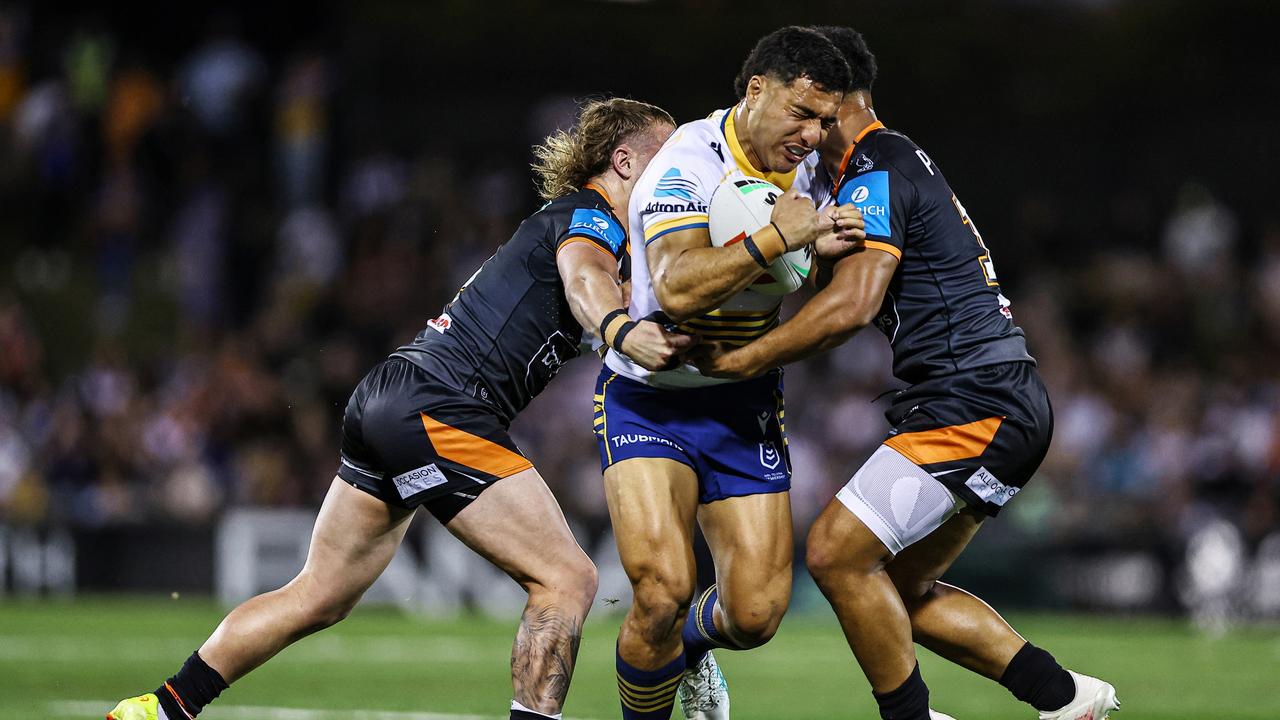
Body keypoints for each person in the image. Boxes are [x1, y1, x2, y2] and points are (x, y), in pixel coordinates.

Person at [107, 97, 693, 720]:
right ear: (623, 161)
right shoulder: (592, 217)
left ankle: (159, 708)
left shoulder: (604, 241)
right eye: (669, 158)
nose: (681, 175)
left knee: (319, 595)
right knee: (567, 580)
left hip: (394, 394)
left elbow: (644, 297)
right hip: (443, 406)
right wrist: (617, 327)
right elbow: (584, 278)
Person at [693, 26, 1121, 720]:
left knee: (834, 553)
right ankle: (1066, 697)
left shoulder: (877, 164)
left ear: (840, 101)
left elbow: (852, 305)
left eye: (811, 113)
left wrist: (742, 357)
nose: (802, 133)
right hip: (1002, 396)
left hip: (974, 398)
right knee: (896, 589)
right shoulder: (893, 163)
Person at [594, 27, 864, 720]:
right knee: (661, 590)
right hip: (647, 401)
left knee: (755, 613)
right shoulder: (688, 164)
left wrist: (822, 241)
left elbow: (810, 248)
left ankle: (685, 651)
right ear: (755, 91)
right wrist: (781, 237)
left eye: (825, 120)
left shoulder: (811, 168)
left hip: (741, 401)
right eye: (800, 113)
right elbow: (678, 286)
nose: (812, 134)